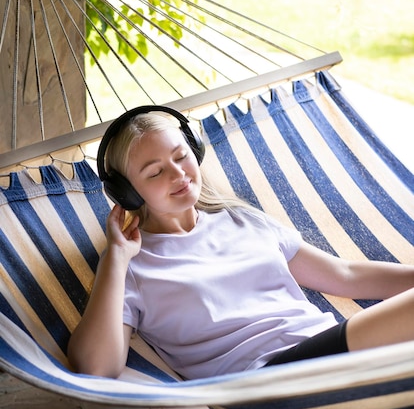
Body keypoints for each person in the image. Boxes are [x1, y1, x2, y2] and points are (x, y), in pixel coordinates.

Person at [68, 106, 414, 380]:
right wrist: (116, 257)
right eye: (154, 172)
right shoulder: (133, 266)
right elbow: (96, 369)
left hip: (333, 355)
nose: (178, 174)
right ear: (127, 192)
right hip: (269, 384)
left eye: (181, 156)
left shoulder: (242, 220)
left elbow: (346, 275)